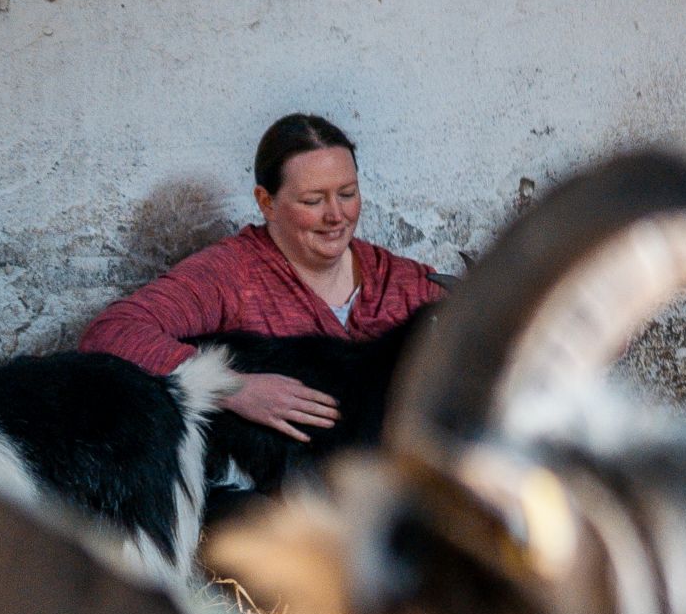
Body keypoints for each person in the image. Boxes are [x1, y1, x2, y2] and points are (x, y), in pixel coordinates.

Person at [80, 113, 443, 444]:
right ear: (266, 202)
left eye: (347, 194)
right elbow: (111, 331)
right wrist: (230, 387)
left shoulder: (404, 282)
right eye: (313, 200)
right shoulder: (231, 274)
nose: (336, 215)